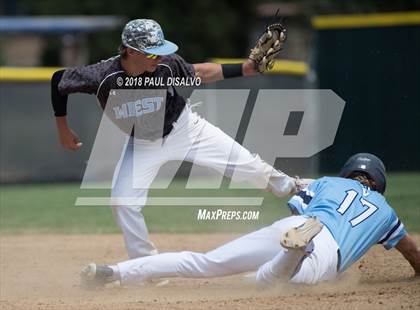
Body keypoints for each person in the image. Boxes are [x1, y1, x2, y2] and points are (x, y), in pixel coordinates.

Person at [51, 19, 305, 259]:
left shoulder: (166, 66)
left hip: (186, 129)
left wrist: (246, 68)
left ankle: (302, 190)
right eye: (151, 52)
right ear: (130, 51)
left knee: (248, 166)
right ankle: (146, 262)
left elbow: (200, 72)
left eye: (160, 50)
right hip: (143, 145)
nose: (159, 56)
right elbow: (59, 80)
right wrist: (63, 128)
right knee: (122, 202)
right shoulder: (102, 76)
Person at [81, 153, 420, 288]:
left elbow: (296, 208)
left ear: (350, 173)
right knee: (264, 285)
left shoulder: (328, 182)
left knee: (204, 263)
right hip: (324, 250)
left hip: (291, 228)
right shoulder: (386, 212)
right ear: (379, 182)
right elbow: (412, 253)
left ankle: (114, 272)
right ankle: (295, 252)